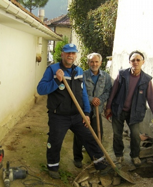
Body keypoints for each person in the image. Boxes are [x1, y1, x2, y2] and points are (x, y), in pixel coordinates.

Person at [37, 44, 108, 179]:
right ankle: (53, 167)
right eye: (67, 52)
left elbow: (84, 94)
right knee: (55, 141)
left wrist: (86, 113)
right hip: (58, 116)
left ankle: (101, 163)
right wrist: (56, 80)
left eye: (73, 53)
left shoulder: (79, 71)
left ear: (76, 55)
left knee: (89, 138)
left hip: (77, 115)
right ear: (62, 54)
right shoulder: (52, 69)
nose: (70, 55)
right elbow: (41, 89)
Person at [105, 50, 153, 166]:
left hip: (135, 113)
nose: (135, 62)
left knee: (135, 135)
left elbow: (151, 98)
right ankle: (119, 155)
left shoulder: (146, 80)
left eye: (138, 60)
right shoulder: (122, 75)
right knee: (117, 134)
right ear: (129, 62)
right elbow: (113, 92)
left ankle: (135, 155)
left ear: (143, 62)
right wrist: (109, 107)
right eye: (133, 60)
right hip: (118, 110)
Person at [73, 53, 112, 168]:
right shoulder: (82, 75)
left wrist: (99, 100)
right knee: (80, 134)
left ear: (100, 63)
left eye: (96, 62)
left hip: (96, 111)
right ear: (88, 63)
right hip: (83, 110)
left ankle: (96, 158)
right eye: (92, 62)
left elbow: (108, 91)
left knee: (97, 135)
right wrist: (91, 99)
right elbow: (78, 91)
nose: (94, 64)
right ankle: (77, 158)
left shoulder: (106, 76)